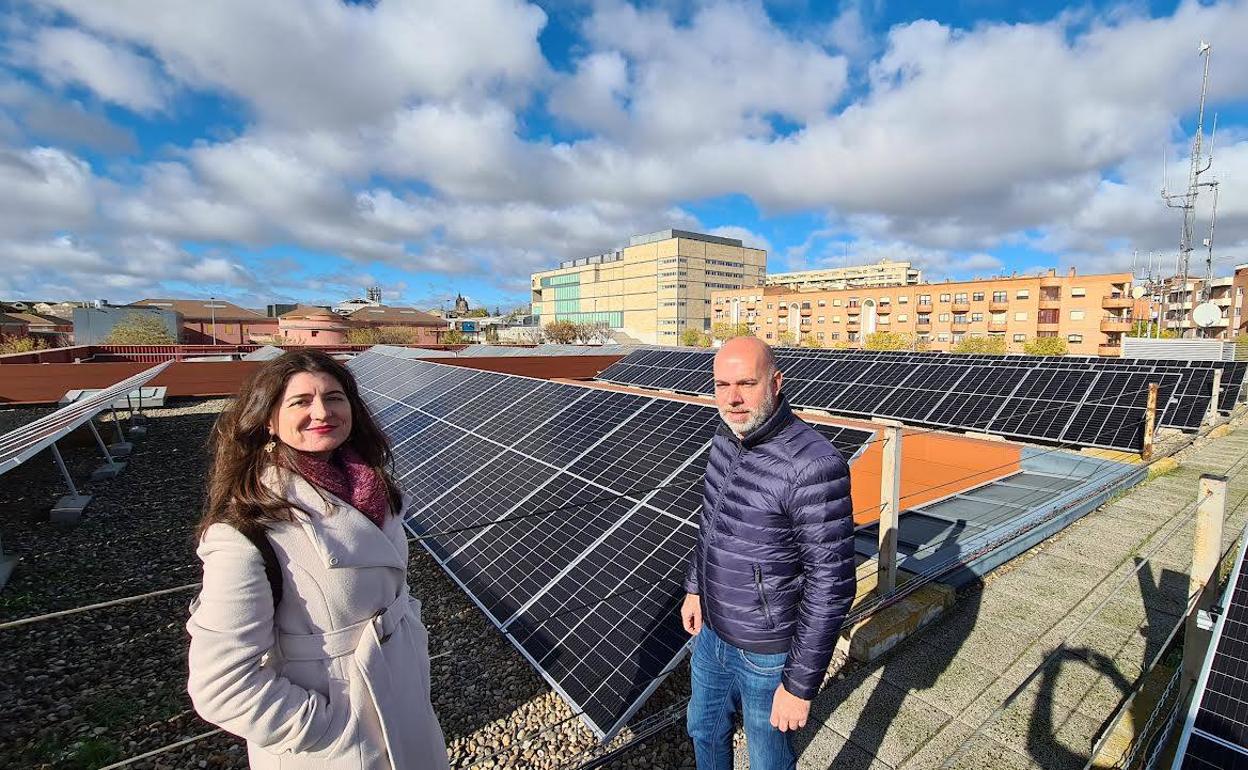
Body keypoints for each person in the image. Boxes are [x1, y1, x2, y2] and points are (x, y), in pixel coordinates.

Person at [186, 349, 450, 770]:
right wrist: (329, 729)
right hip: (337, 746)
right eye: (300, 401)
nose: (322, 412)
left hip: (404, 702)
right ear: (268, 420)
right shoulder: (246, 530)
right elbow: (222, 686)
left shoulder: (375, 492)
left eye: (334, 397)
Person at [681, 336, 856, 770]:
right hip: (712, 634)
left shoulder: (812, 465)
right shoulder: (726, 436)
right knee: (703, 730)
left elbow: (831, 585)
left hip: (766, 652)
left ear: (776, 383)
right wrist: (695, 588)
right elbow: (711, 521)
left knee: (767, 759)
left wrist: (798, 686)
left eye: (746, 383)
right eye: (722, 385)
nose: (732, 398)